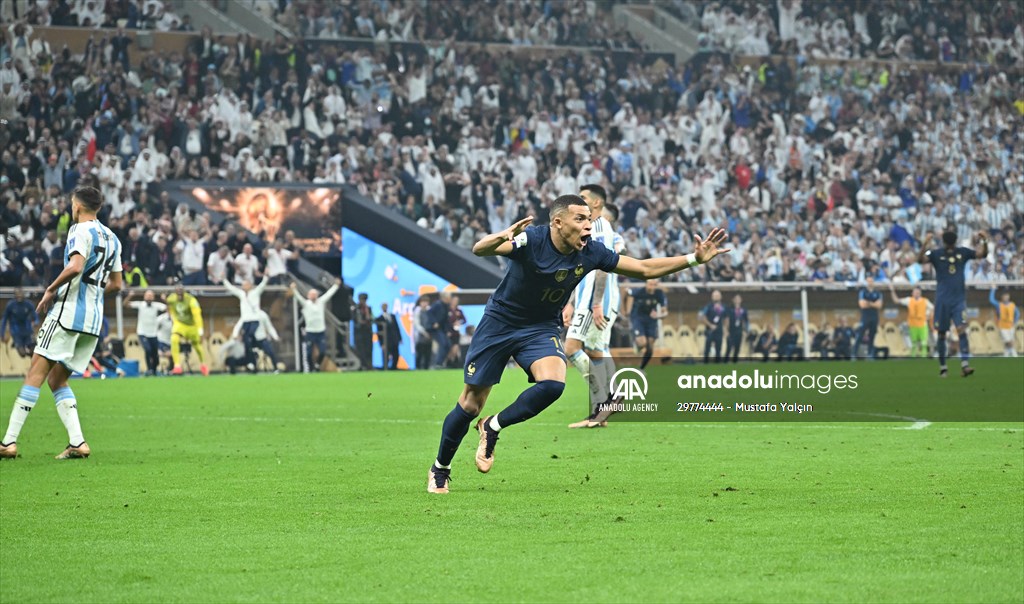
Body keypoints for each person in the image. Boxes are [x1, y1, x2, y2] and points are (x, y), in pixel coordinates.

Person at [426, 194, 730, 493]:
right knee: (470, 404)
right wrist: (501, 237)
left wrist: (694, 259)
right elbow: (480, 249)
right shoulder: (533, 239)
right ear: (558, 223)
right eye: (581, 219)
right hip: (500, 324)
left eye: (590, 219)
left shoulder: (591, 251)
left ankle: (492, 426)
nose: (588, 225)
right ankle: (440, 469)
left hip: (540, 327)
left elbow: (644, 269)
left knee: (553, 384)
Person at [0, 186, 122, 460]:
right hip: (92, 322)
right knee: (57, 379)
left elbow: (76, 266)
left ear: (77, 206)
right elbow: (117, 285)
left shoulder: (79, 230)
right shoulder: (114, 238)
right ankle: (78, 443)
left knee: (35, 372)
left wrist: (51, 289)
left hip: (67, 316)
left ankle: (8, 442)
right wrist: (91, 295)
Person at [566, 203, 626, 429]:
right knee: (598, 349)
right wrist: (571, 302)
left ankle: (606, 400)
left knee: (574, 348)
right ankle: (605, 404)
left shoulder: (602, 229)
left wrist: (597, 302)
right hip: (596, 299)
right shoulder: (606, 235)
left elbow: (604, 266)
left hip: (595, 301)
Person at [919, 230, 987, 377]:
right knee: (943, 334)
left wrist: (925, 243)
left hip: (957, 301)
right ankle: (943, 368)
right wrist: (984, 241)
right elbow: (921, 260)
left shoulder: (961, 252)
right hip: (944, 300)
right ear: (954, 241)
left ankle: (964, 365)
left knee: (960, 329)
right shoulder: (937, 254)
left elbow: (982, 255)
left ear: (944, 241)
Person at [290, 278, 341, 372]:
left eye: (315, 294)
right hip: (310, 332)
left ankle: (317, 365)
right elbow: (298, 297)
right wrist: (294, 289)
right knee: (308, 353)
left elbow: (329, 294)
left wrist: (336, 286)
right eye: (312, 294)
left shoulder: (321, 302)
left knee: (322, 351)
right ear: (308, 296)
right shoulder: (306, 304)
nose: (313, 296)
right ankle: (311, 368)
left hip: (320, 331)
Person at [222, 274, 269, 371]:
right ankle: (251, 362)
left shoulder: (255, 293)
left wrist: (266, 277)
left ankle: (255, 347)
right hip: (246, 321)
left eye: (246, 285)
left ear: (250, 285)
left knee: (251, 338)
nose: (244, 287)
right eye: (243, 285)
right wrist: (224, 279)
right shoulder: (241, 294)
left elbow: (262, 286)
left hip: (254, 320)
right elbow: (231, 288)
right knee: (247, 342)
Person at [165, 282, 209, 376]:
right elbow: (169, 306)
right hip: (180, 323)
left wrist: (200, 331)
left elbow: (197, 316)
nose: (179, 294)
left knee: (197, 346)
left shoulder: (191, 300)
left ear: (184, 292)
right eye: (178, 292)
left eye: (181, 292)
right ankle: (177, 366)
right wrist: (173, 318)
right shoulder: (171, 298)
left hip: (192, 325)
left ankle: (203, 365)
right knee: (174, 339)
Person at [624, 279, 668, 369]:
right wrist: (626, 311)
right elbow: (627, 292)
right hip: (638, 318)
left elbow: (665, 312)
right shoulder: (639, 291)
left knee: (650, 347)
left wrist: (658, 315)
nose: (651, 286)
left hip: (651, 320)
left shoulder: (659, 294)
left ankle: (642, 367)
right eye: (649, 284)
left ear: (656, 285)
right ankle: (637, 345)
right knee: (642, 342)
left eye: (653, 284)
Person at [124, 288, 167, 375]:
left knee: (155, 354)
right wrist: (129, 296)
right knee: (147, 350)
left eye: (151, 296)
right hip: (142, 333)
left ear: (153, 297)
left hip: (154, 334)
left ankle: (154, 369)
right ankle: (149, 369)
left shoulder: (156, 305)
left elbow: (168, 308)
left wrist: (165, 299)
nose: (149, 297)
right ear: (144, 297)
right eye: (147, 295)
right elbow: (125, 304)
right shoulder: (140, 304)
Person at [889, 284, 933, 357]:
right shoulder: (909, 300)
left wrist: (928, 316)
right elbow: (896, 301)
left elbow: (932, 308)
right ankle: (913, 357)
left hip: (922, 325)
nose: (916, 293)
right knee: (914, 344)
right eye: (915, 292)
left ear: (920, 293)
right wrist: (892, 291)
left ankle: (923, 357)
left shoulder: (925, 301)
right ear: (912, 293)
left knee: (923, 344)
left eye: (918, 292)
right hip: (913, 325)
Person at [1, 288, 38, 357]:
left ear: (24, 295)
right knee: (22, 354)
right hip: (16, 332)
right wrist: (2, 334)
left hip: (28, 331)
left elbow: (35, 315)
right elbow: (4, 320)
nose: (19, 296)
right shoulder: (10, 305)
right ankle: (18, 345)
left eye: (21, 294)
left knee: (33, 351)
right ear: (15, 295)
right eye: (18, 294)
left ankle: (29, 349)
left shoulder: (28, 304)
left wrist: (36, 322)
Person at [853, 277, 883, 359]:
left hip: (874, 317)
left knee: (872, 336)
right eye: (868, 281)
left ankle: (870, 354)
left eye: (871, 281)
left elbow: (879, 306)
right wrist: (873, 303)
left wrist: (868, 303)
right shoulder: (863, 292)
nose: (870, 283)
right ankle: (854, 354)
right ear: (866, 282)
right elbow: (862, 305)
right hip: (865, 317)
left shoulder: (878, 293)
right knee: (860, 335)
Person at [990, 287, 1019, 357]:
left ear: (1009, 296)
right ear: (1002, 297)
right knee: (1008, 341)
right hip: (1003, 327)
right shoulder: (999, 305)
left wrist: (1015, 321)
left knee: (1008, 342)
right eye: (1004, 296)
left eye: (1007, 295)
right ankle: (1014, 354)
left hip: (1011, 326)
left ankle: (1006, 354)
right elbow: (991, 300)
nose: (1006, 297)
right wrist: (993, 289)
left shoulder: (1012, 305)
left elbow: (1017, 313)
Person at [425, 291, 451, 368]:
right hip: (435, 329)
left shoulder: (446, 306)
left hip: (442, 329)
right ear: (444, 298)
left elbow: (446, 319)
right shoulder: (437, 304)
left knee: (448, 344)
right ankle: (437, 363)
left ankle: (440, 363)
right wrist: (434, 322)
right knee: (443, 343)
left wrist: (448, 330)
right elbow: (429, 312)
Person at [701, 289, 727, 363]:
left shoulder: (724, 307)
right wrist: (710, 325)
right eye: (714, 296)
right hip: (710, 331)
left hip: (719, 331)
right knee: (707, 350)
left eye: (717, 295)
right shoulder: (708, 306)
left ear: (720, 297)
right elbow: (703, 317)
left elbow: (726, 318)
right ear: (712, 297)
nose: (716, 297)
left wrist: (725, 329)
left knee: (718, 350)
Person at [377, 302, 403, 370]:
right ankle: (386, 367)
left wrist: (400, 338)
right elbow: (379, 332)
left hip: (394, 339)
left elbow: (397, 327)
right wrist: (381, 343)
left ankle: (394, 367)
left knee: (396, 354)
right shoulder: (379, 318)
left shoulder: (392, 316)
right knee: (386, 355)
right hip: (386, 340)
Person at [352, 292, 374, 370]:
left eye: (364, 300)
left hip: (367, 332)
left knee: (369, 349)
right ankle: (362, 365)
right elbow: (354, 319)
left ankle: (369, 365)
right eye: (361, 299)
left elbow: (371, 318)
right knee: (360, 350)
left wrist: (368, 315)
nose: (363, 301)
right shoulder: (355, 309)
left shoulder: (369, 308)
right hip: (359, 333)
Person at [724, 294, 748, 363]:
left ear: (741, 300)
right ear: (733, 300)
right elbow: (726, 319)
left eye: (739, 299)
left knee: (737, 349)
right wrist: (726, 330)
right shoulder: (729, 309)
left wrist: (745, 330)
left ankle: (734, 363)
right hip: (731, 331)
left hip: (739, 331)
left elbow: (745, 321)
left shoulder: (743, 310)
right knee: (729, 348)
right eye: (736, 299)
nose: (737, 300)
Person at [412, 297, 433, 370]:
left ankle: (427, 367)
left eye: (426, 302)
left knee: (428, 353)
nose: (424, 304)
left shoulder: (430, 311)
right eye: (423, 302)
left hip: (429, 335)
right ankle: (418, 367)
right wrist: (424, 332)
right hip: (420, 336)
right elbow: (417, 324)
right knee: (419, 353)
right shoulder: (417, 311)